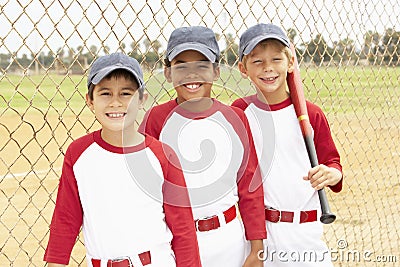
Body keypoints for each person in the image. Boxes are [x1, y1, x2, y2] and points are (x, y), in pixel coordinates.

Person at [43, 52, 202, 267]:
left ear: (142, 99)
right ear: (90, 101)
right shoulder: (78, 153)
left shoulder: (162, 155)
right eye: (105, 93)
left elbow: (183, 229)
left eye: (126, 93)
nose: (116, 103)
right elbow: (66, 219)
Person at [139, 26, 266, 267]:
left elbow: (250, 187)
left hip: (229, 239)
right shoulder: (156, 120)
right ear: (167, 73)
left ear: (216, 71)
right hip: (177, 242)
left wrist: (256, 247)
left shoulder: (234, 118)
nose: (191, 74)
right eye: (181, 65)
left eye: (202, 64)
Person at [232, 23, 343, 266]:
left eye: (276, 59)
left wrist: (332, 173)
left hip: (307, 234)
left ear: (290, 63)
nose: (268, 67)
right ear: (243, 68)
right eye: (257, 61)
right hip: (264, 233)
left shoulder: (310, 114)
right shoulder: (240, 112)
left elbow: (332, 162)